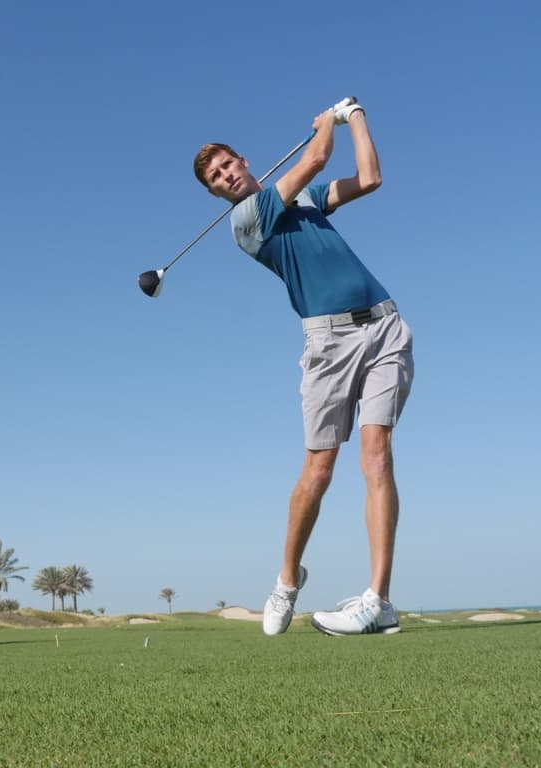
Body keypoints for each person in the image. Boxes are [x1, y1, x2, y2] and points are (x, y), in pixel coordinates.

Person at [192, 98, 414, 636]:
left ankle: (379, 600)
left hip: (385, 328)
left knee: (377, 457)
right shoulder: (247, 221)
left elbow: (370, 177)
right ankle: (287, 580)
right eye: (216, 178)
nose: (226, 176)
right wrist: (324, 125)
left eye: (228, 164)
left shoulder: (307, 203)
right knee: (319, 469)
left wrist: (356, 116)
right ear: (218, 192)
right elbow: (315, 160)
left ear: (243, 161)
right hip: (328, 345)